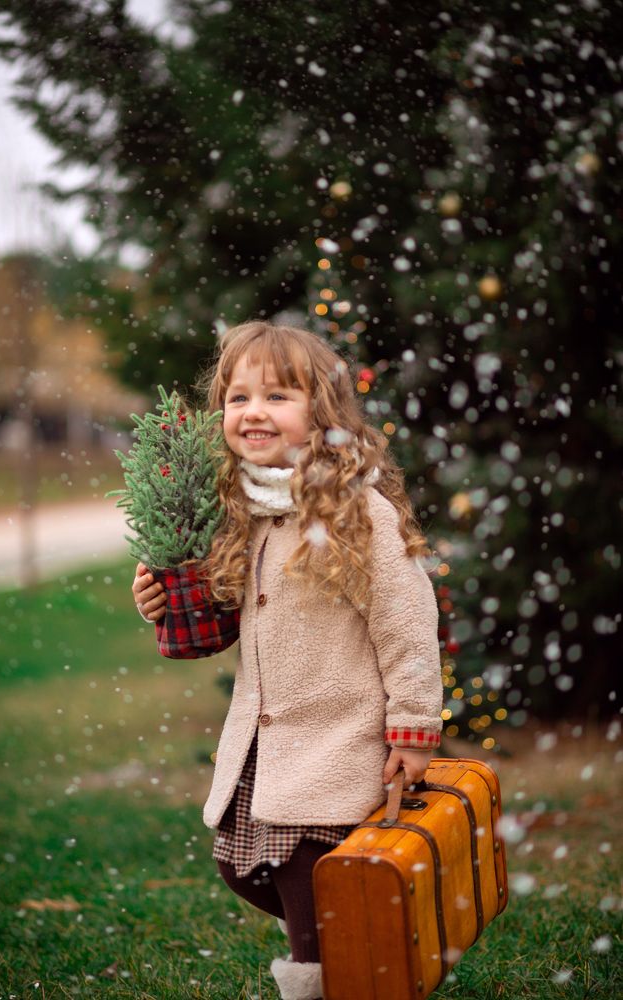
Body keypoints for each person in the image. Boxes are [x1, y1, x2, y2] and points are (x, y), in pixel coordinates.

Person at [132, 321, 443, 1000]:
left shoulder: (357, 510)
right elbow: (215, 616)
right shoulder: (240, 511)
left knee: (308, 878)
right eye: (238, 398)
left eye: (277, 396)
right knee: (242, 869)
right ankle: (359, 942)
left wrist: (415, 727)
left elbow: (408, 622)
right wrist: (157, 599)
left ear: (322, 411)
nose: (253, 412)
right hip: (266, 746)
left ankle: (329, 974)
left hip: (339, 740)